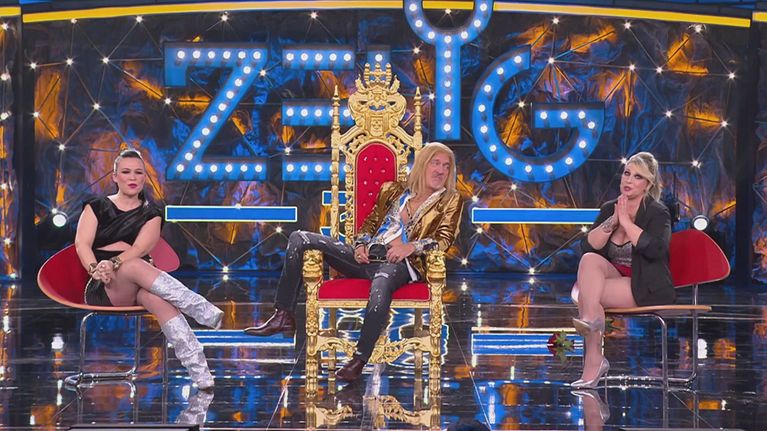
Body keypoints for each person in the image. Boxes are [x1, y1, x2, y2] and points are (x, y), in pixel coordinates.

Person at [244, 142, 463, 382]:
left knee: (382, 281)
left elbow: (444, 240)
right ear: (422, 164)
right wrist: (360, 245)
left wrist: (409, 247)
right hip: (369, 257)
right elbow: (370, 223)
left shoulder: (450, 199)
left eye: (446, 166)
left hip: (402, 264)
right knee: (300, 238)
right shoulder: (393, 191)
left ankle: (359, 359)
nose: (441, 170)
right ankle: (283, 315)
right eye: (435, 163)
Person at [74, 149, 223, 390]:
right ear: (115, 176)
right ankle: (198, 307)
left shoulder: (151, 213)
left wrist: (113, 261)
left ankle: (200, 372)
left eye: (138, 172)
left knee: (159, 300)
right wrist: (96, 269)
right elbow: (82, 244)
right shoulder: (96, 206)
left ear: (145, 177)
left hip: (140, 281)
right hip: (106, 286)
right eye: (126, 172)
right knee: (133, 264)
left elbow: (140, 248)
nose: (132, 177)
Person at [570, 151, 674, 389]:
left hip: (645, 284)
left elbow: (657, 250)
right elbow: (588, 246)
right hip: (614, 278)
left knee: (588, 296)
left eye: (638, 177)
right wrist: (614, 220)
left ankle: (593, 360)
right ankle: (591, 323)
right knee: (589, 259)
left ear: (648, 184)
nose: (629, 180)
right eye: (627, 173)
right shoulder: (610, 208)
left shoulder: (657, 212)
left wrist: (627, 223)